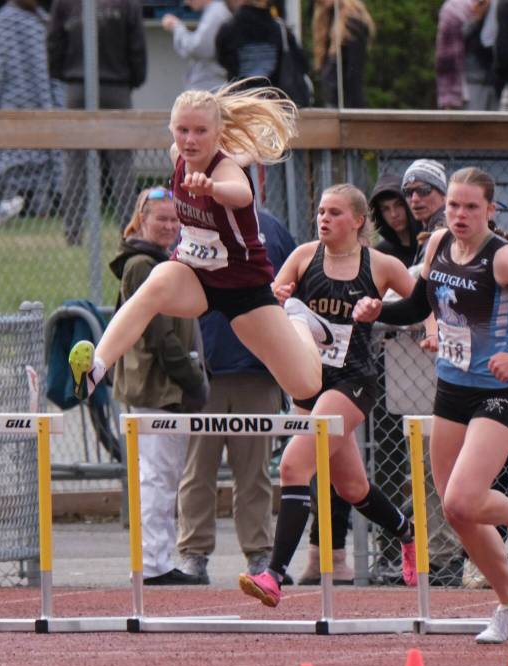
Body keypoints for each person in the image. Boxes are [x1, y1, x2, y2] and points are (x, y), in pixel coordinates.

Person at [355, 166, 508, 644]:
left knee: (460, 499)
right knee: (455, 513)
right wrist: (377, 311)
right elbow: (416, 307)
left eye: (471, 206)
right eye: (453, 205)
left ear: (491, 210)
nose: (460, 214)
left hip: (497, 392)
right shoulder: (435, 246)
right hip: (450, 389)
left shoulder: (506, 259)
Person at [67, 82, 329, 417]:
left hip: (244, 288)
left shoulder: (225, 170)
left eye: (200, 131)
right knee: (155, 283)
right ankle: (95, 369)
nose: (189, 140)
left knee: (304, 385)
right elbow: (202, 150)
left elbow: (242, 194)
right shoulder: (178, 156)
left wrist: (213, 188)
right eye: (182, 130)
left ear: (218, 132)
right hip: (195, 274)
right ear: (171, 130)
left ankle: (299, 321)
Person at [239, 183, 417, 606]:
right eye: (320, 211)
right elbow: (270, 300)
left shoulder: (381, 264)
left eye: (335, 212)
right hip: (308, 379)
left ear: (357, 221)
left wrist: (427, 331)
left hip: (352, 382)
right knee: (353, 488)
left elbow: (421, 304)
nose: (324, 219)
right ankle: (408, 532)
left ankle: (274, 575)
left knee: (294, 465)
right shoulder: (303, 257)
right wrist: (278, 297)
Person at [175, 207, 292, 583]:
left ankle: (259, 553)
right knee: (198, 468)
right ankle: (194, 553)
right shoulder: (196, 222)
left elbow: (290, 286)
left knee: (253, 470)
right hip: (207, 369)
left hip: (257, 371)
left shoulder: (270, 227)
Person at [111, 188, 209, 586]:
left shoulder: (171, 262)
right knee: (155, 475)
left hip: (169, 388)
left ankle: (156, 558)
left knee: (164, 475)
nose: (169, 226)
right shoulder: (140, 265)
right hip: (155, 388)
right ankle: (152, 564)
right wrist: (191, 380)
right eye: (161, 219)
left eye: (174, 220)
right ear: (142, 220)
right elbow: (158, 334)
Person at [48, 0, 146, 245]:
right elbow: (137, 47)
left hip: (77, 86)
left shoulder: (65, 3)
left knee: (74, 161)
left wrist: (63, 74)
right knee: (121, 162)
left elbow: (54, 41)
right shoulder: (127, 4)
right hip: (116, 85)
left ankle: (72, 231)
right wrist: (132, 79)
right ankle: (128, 229)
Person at [0, 0, 62, 226]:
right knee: (35, 159)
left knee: (12, 159)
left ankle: (22, 205)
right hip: (36, 111)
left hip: (12, 113)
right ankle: (34, 206)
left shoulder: (2, 24)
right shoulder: (42, 23)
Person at [312, 0, 374, 108]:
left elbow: (354, 74)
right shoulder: (326, 19)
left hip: (345, 105)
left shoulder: (353, 23)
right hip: (331, 102)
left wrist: (353, 112)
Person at [436, 0, 494, 111]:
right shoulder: (452, 8)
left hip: (494, 82)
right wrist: (477, 18)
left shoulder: (498, 4)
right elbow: (454, 41)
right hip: (468, 83)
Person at [162, 0, 231, 92]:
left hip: (213, 86)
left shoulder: (216, 12)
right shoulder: (214, 11)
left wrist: (176, 27)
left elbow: (197, 48)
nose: (186, 2)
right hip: (212, 85)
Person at [369, 173, 421, 268]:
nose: (394, 214)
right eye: (385, 209)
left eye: (399, 205)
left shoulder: (428, 244)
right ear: (379, 214)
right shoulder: (381, 254)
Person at [402, 158, 448, 240]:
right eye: (408, 192)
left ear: (443, 194)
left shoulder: (449, 233)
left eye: (423, 190)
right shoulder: (429, 231)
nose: (414, 199)